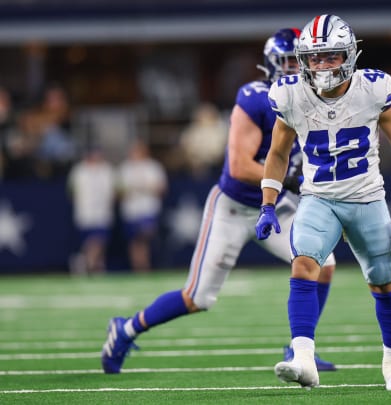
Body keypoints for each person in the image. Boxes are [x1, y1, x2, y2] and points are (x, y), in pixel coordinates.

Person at [101, 28, 337, 374]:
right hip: (234, 206)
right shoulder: (255, 98)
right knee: (197, 297)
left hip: (276, 204)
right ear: (270, 67)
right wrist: (292, 179)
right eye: (286, 63)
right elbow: (241, 167)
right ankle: (126, 328)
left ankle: (300, 349)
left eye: (298, 63)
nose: (293, 71)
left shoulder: (317, 100)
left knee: (323, 262)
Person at [255, 14, 391, 391]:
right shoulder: (289, 93)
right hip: (319, 198)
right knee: (304, 265)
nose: (322, 65)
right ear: (303, 59)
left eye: (331, 56)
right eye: (315, 57)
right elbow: (278, 153)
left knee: (383, 283)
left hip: (366, 198)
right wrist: (267, 202)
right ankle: (304, 359)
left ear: (349, 56)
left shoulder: (372, 89)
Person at [116, 139, 168, 272]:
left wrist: (148, 188)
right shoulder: (125, 168)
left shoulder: (153, 167)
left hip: (148, 209)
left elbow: (162, 189)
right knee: (134, 241)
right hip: (131, 210)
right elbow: (118, 192)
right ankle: (139, 267)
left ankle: (145, 264)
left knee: (145, 235)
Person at [67, 147, 116, 275]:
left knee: (100, 240)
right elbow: (71, 192)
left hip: (103, 212)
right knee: (92, 241)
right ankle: (90, 263)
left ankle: (89, 263)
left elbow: (115, 190)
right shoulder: (79, 171)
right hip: (85, 213)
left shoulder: (107, 170)